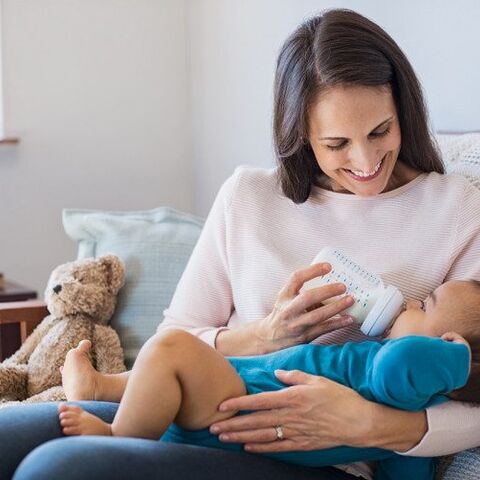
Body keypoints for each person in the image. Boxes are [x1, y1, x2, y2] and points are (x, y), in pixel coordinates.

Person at [3, 8, 480, 480]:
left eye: (380, 131)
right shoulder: (248, 196)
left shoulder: (457, 210)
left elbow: (475, 385)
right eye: (337, 144)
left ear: (402, 110)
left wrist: (366, 424)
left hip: (312, 455)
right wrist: (265, 335)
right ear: (301, 134)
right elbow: (174, 338)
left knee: (56, 467)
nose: (366, 160)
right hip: (188, 409)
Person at [55, 279, 480, 480]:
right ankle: (102, 388)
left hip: (241, 406)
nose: (408, 303)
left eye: (424, 305)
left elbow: (405, 366)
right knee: (173, 362)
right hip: (242, 384)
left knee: (174, 351)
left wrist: (456, 360)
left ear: (445, 345)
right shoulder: (397, 406)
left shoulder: (392, 376)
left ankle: (118, 437)